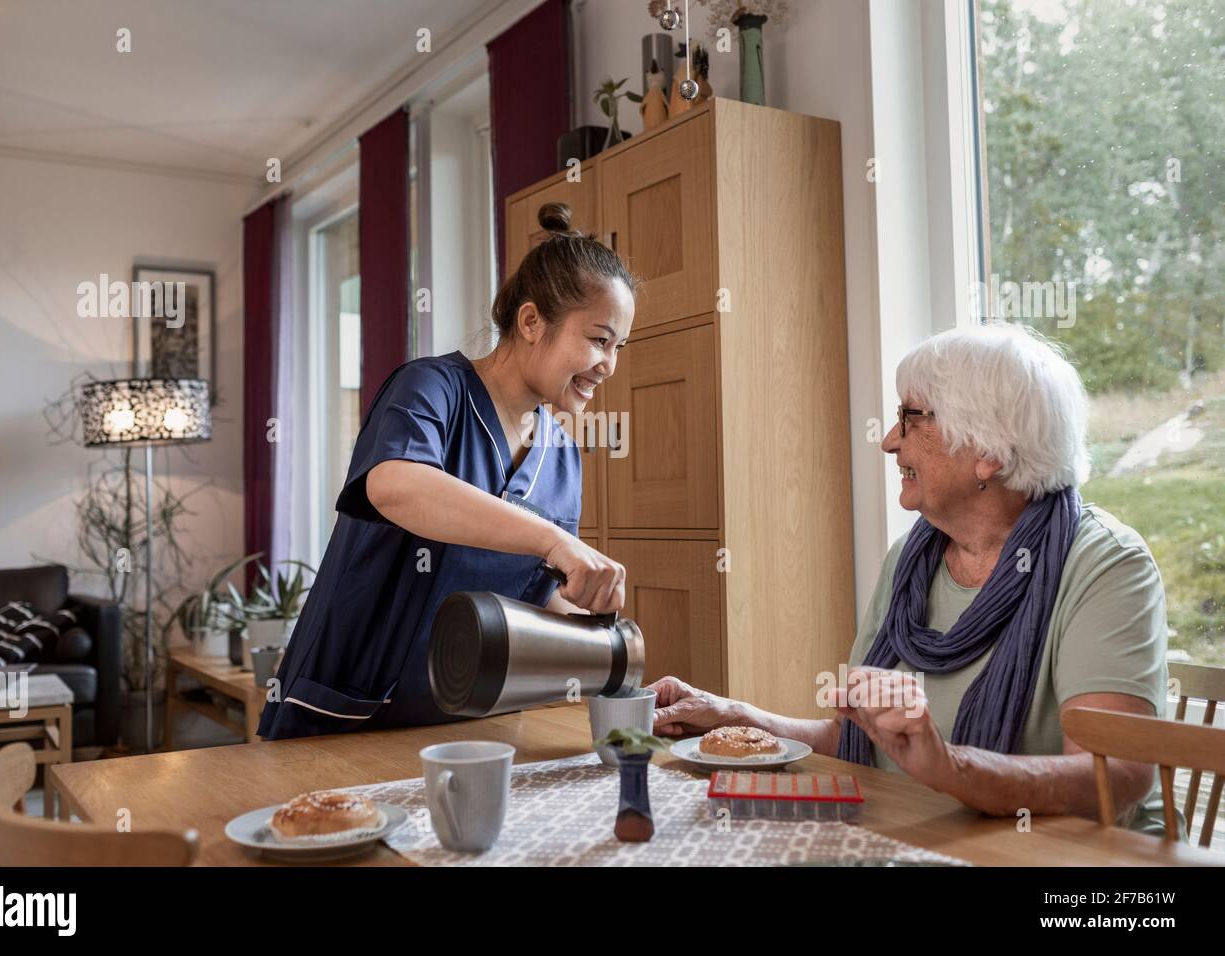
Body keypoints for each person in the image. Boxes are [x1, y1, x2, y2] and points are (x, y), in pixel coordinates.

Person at [652, 324, 1174, 833]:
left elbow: (1119, 776)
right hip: (916, 828)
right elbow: (859, 740)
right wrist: (735, 716)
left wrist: (949, 768)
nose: (888, 441)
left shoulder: (1106, 564)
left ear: (988, 451)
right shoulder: (912, 556)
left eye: (910, 416)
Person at [258, 203, 637, 739]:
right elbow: (396, 485)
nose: (610, 364)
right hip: (347, 715)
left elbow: (533, 594)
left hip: (470, 725)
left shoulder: (564, 458)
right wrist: (555, 541)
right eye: (599, 339)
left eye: (619, 346)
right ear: (531, 321)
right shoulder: (432, 388)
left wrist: (601, 635)